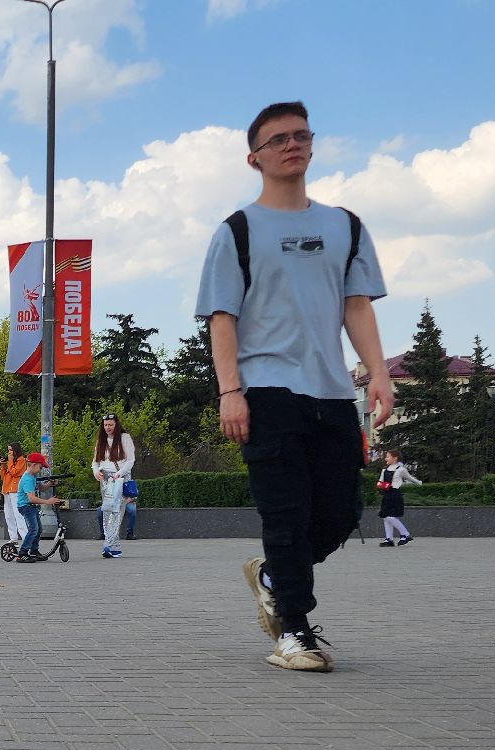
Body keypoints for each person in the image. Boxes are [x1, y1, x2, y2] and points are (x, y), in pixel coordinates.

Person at [196, 100, 392, 673]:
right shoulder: (238, 230)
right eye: (277, 139)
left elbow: (356, 305)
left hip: (331, 390)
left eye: (300, 135)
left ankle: (272, 574)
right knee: (284, 513)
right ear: (253, 158)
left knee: (339, 512)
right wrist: (229, 391)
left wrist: (378, 373)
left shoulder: (344, 226)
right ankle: (295, 631)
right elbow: (221, 316)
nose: (292, 145)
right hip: (264, 389)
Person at [92, 414, 136, 558]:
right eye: (105, 425)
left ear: (116, 425)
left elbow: (130, 461)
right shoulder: (101, 441)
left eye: (110, 425)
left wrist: (120, 473)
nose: (107, 428)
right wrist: (95, 472)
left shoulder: (125, 438)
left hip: (120, 478)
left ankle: (108, 544)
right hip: (105, 479)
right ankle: (115, 547)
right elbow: (95, 461)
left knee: (117, 511)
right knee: (107, 510)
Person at [15, 452, 61, 562]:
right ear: (33, 465)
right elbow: (31, 498)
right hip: (25, 506)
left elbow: (41, 488)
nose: (40, 469)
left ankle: (34, 551)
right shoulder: (27, 479)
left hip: (31, 506)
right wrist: (48, 501)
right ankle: (23, 553)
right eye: (40, 467)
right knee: (33, 529)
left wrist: (49, 484)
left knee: (38, 529)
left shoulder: (33, 476)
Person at [376, 448, 421, 546]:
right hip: (387, 494)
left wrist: (420, 483)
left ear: (395, 458)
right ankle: (389, 539)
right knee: (385, 517)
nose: (385, 459)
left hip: (395, 495)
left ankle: (405, 534)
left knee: (390, 516)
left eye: (388, 456)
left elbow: (410, 478)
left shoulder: (401, 470)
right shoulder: (384, 470)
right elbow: (379, 483)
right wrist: (385, 485)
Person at [0, 444, 29, 546]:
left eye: (11, 450)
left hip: (15, 490)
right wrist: (3, 465)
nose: (9, 452)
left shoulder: (21, 460)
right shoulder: (10, 462)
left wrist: (10, 461)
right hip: (6, 490)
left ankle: (26, 538)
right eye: (8, 450)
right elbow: (3, 476)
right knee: (8, 515)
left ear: (16, 450)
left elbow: (15, 472)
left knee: (18, 515)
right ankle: (13, 538)